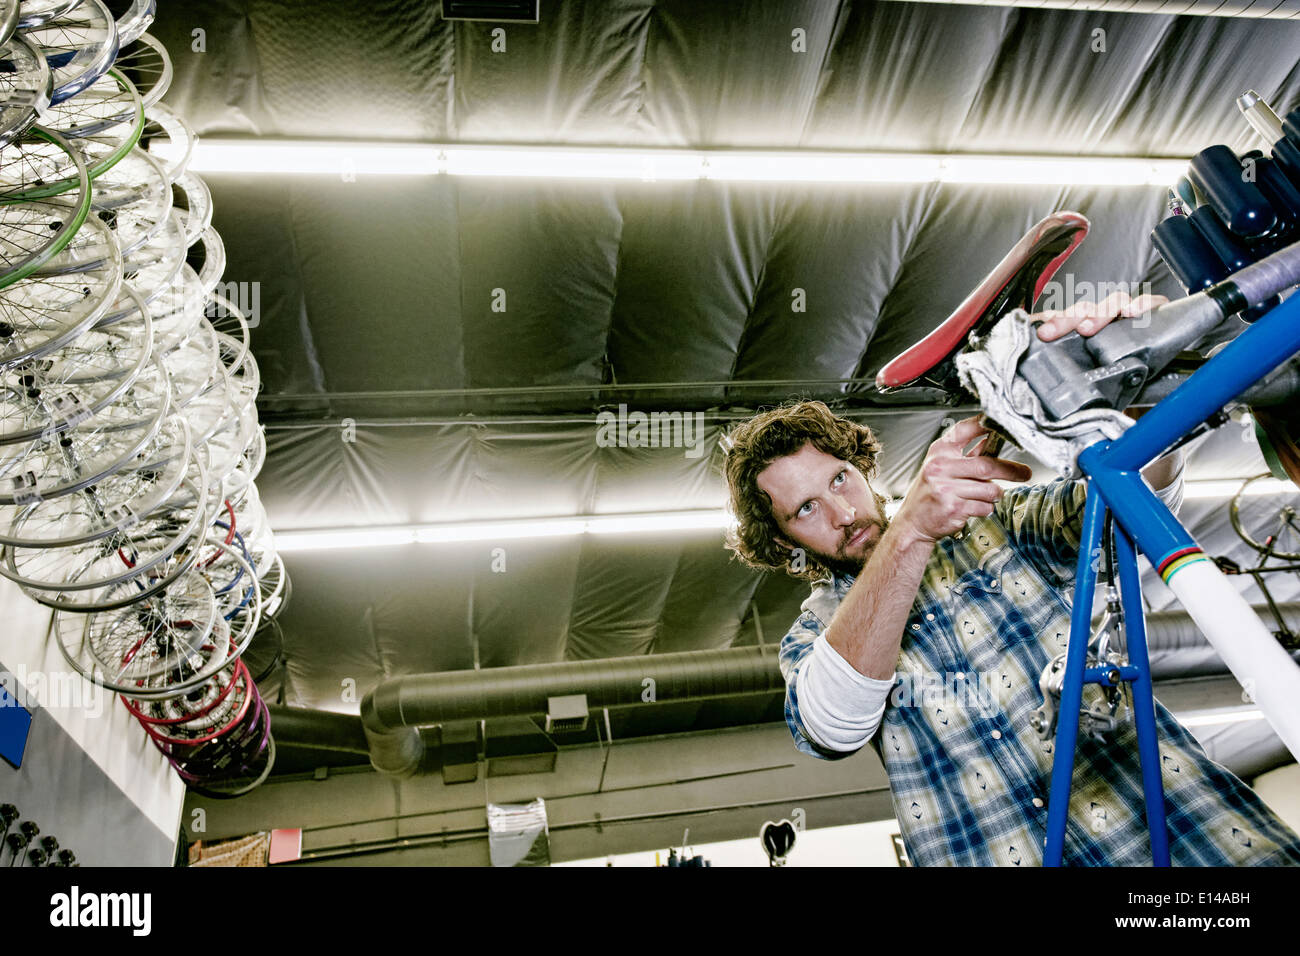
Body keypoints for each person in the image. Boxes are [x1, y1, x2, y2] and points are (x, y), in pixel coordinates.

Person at [721, 293, 1300, 866]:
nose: (842, 513)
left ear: (861, 468)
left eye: (840, 480)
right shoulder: (812, 642)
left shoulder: (994, 524)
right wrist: (912, 534)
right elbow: (834, 725)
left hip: (1199, 845)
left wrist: (1139, 391)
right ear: (781, 544)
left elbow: (1132, 504)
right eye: (805, 510)